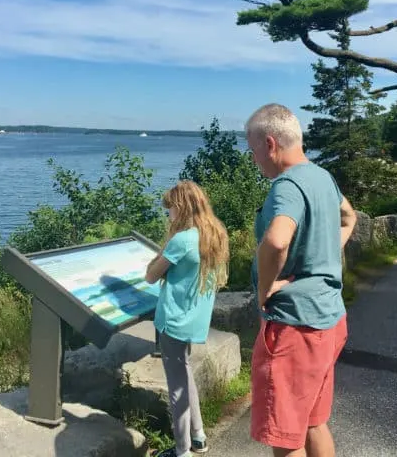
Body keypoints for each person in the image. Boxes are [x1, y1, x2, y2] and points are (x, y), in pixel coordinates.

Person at [245, 103, 358, 457]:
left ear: (270, 143)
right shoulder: (322, 176)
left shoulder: (287, 185)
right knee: (313, 420)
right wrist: (323, 254)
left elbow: (277, 240)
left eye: (253, 151)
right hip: (329, 320)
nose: (254, 160)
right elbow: (348, 217)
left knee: (286, 434)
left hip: (295, 328)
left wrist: (264, 290)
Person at [144, 180, 230, 457]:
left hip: (173, 321)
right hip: (195, 320)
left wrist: (167, 241)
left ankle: (182, 450)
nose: (167, 213)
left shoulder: (181, 240)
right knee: (185, 374)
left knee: (177, 387)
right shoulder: (213, 234)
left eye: (169, 208)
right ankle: (199, 436)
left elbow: (151, 274)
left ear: (180, 207)